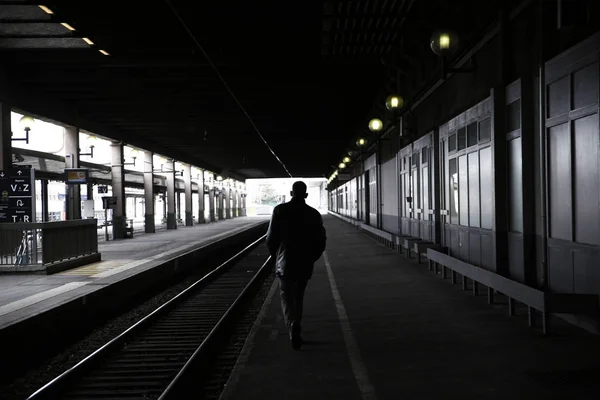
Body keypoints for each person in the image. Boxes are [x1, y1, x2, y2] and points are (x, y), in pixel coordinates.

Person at [266, 181, 327, 350]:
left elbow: (270, 239)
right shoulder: (313, 214)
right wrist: (312, 257)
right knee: (299, 295)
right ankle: (297, 322)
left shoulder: (279, 210)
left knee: (286, 295)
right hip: (305, 261)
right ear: (306, 195)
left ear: (291, 193)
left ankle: (291, 325)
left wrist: (276, 258)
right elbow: (321, 240)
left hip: (285, 262)